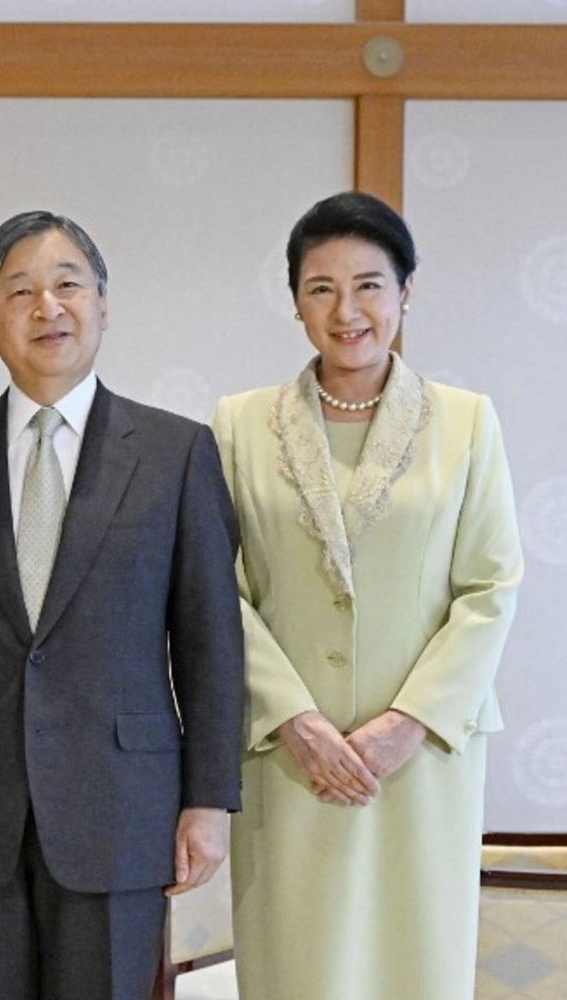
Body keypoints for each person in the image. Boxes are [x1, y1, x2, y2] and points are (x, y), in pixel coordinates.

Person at [0, 210, 244, 1000]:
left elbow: (211, 644)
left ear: (104, 304)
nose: (49, 307)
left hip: (121, 807)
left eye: (69, 285)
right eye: (21, 292)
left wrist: (209, 799)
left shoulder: (176, 454)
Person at [213, 191, 523, 1000]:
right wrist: (298, 720)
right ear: (294, 303)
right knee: (296, 966)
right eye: (321, 288)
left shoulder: (466, 422)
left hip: (420, 762)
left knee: (413, 964)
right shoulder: (239, 426)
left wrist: (406, 723)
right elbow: (216, 589)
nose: (347, 310)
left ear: (406, 291)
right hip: (289, 758)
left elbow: (491, 584)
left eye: (370, 285)